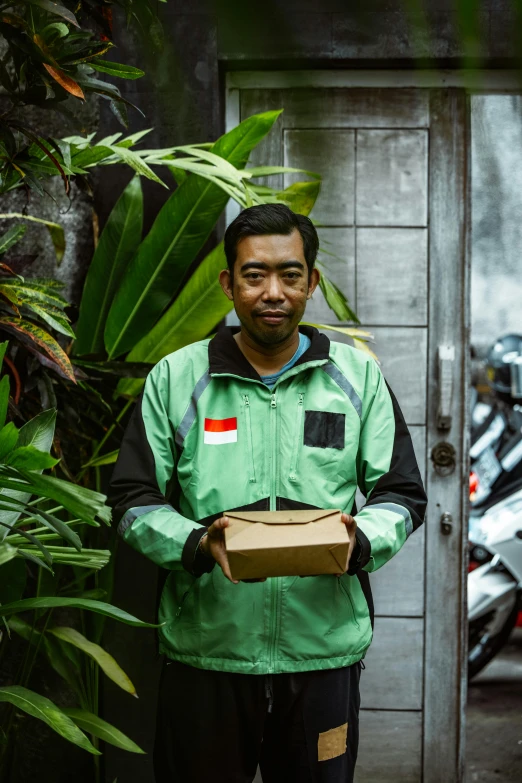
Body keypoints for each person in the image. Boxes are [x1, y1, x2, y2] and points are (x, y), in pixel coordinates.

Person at [108, 203, 427, 783]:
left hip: (323, 655)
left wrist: (360, 540)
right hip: (207, 655)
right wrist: (199, 542)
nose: (272, 292)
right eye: (254, 275)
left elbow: (401, 494)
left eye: (290, 274)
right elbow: (132, 500)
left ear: (312, 283)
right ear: (229, 284)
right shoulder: (178, 379)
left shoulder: (357, 379)